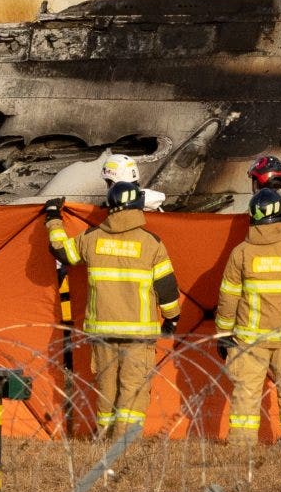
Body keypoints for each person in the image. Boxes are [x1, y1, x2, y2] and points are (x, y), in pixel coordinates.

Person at [45, 181, 181, 438]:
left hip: (102, 331)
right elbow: (167, 289)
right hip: (139, 335)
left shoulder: (92, 238)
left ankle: (104, 436)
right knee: (134, 388)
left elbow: (61, 252)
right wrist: (172, 320)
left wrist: (53, 218)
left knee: (106, 387)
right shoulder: (151, 243)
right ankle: (124, 442)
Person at [216, 188, 281, 447]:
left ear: (252, 217)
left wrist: (223, 333)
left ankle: (241, 445)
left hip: (250, 340)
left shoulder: (241, 253)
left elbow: (228, 298)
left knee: (246, 393)